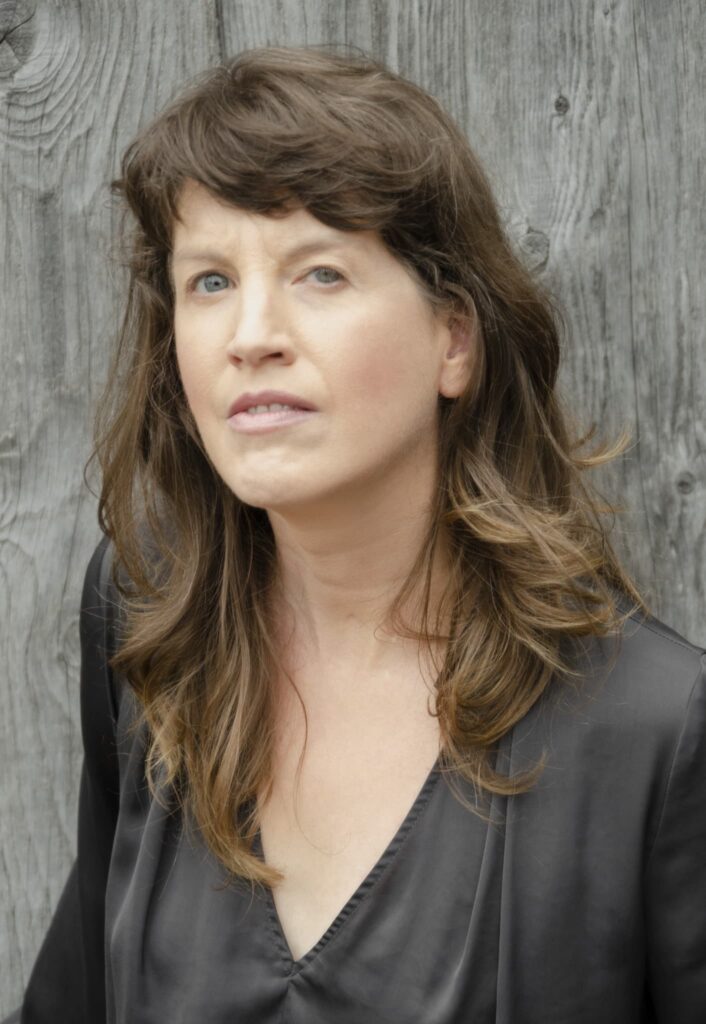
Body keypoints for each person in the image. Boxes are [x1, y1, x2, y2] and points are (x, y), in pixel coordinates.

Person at [5, 44, 705, 1024]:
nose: (251, 334)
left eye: (320, 273)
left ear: (454, 339)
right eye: (209, 282)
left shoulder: (657, 728)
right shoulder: (150, 616)